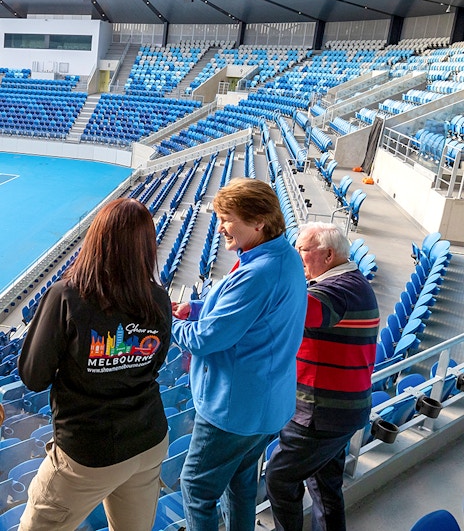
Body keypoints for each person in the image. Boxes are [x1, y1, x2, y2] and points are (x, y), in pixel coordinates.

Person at [17, 198, 172, 531]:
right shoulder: (159, 299)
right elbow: (154, 363)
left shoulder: (67, 296)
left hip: (88, 452)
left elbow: (33, 376)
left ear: (97, 239)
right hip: (149, 441)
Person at [171, 177, 308, 531]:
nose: (220, 228)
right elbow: (249, 315)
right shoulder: (283, 256)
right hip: (266, 406)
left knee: (197, 488)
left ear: (258, 221)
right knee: (241, 483)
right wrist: (196, 307)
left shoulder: (258, 273)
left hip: (234, 411)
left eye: (227, 218)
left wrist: (164, 322)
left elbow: (204, 340)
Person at [265, 221, 380, 531]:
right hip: (344, 410)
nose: (296, 257)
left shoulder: (336, 291)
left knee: (278, 476)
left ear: (328, 255)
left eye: (301, 250)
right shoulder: (352, 282)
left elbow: (290, 311)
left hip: (321, 415)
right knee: (325, 487)